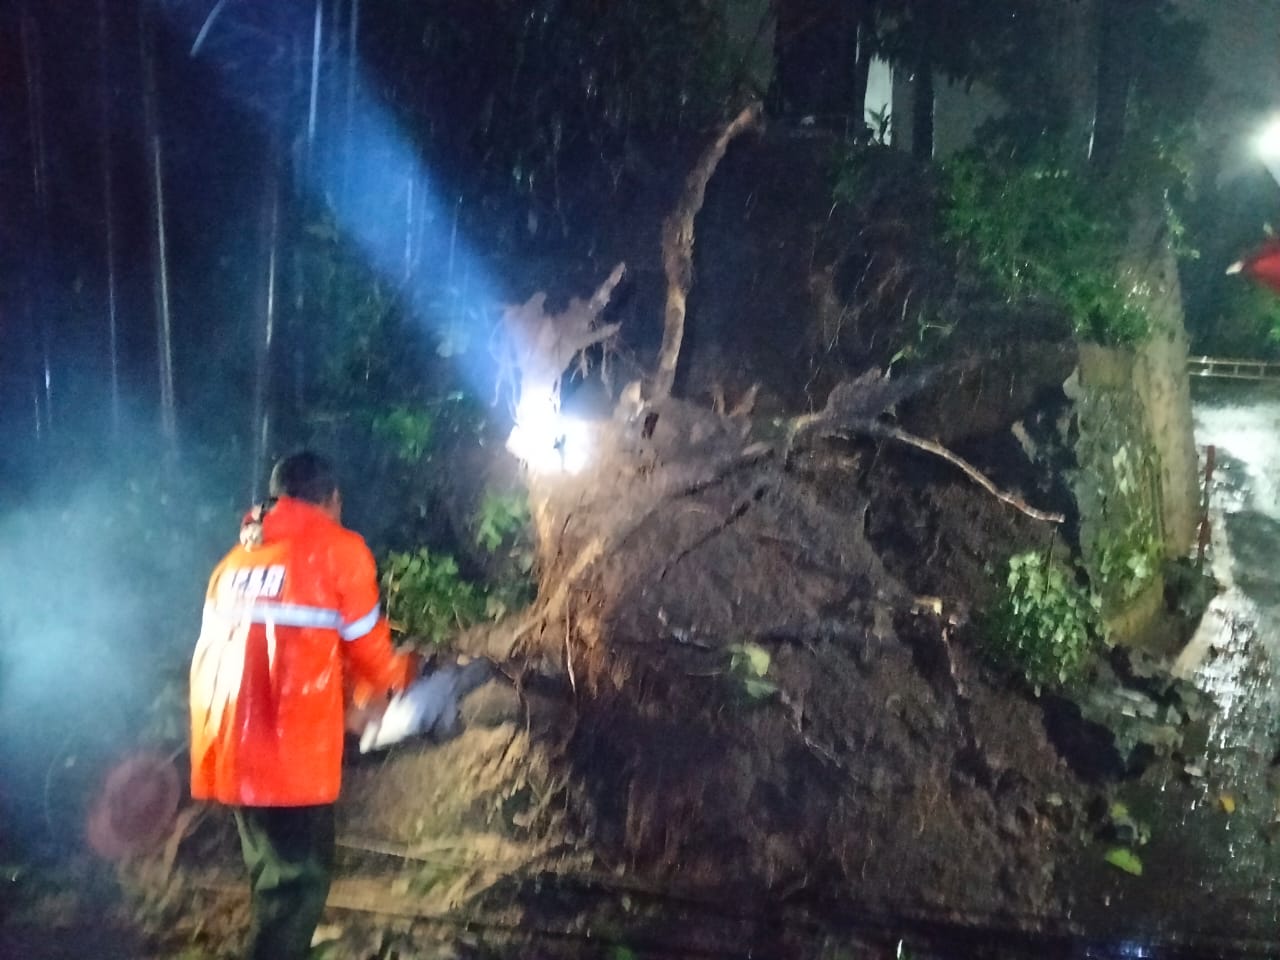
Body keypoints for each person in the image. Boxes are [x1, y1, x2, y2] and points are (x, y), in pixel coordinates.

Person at [189, 450, 417, 960]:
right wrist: (400, 680)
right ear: (331, 499)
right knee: (299, 886)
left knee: (272, 879)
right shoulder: (338, 550)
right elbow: (369, 652)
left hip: (229, 748)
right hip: (288, 753)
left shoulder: (232, 564)